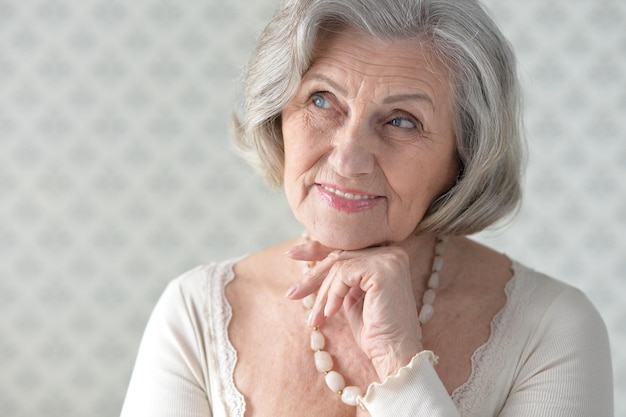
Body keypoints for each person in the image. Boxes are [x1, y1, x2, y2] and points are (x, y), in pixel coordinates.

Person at [120, 0, 613, 415]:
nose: (349, 158)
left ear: (463, 157)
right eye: (321, 101)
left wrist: (400, 364)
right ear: (278, 117)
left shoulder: (553, 327)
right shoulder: (195, 314)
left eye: (401, 121)